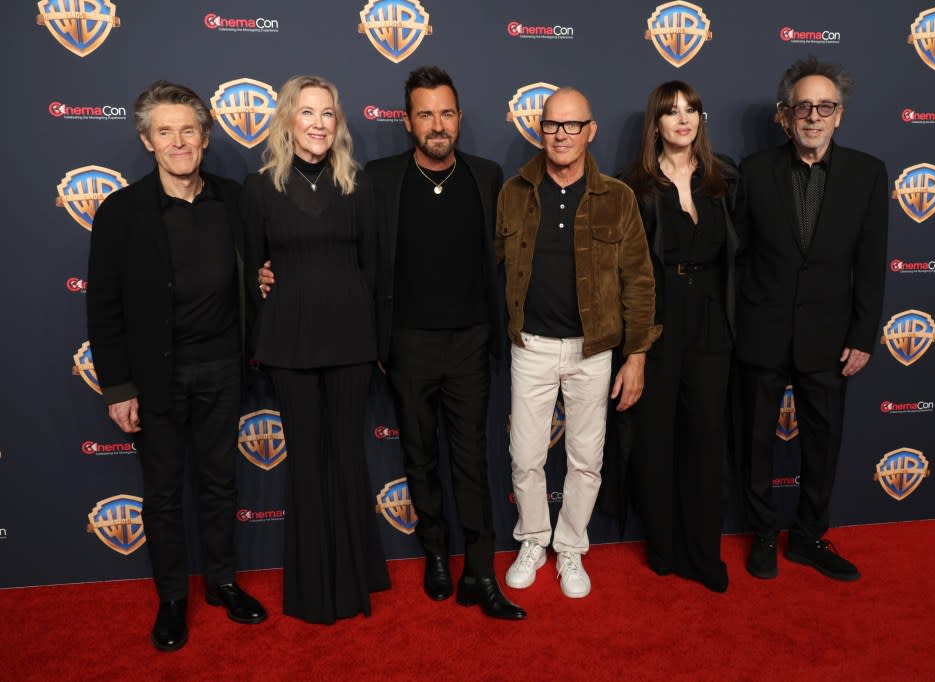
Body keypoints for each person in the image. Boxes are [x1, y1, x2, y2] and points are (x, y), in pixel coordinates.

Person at [260, 66, 524, 620]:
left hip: (471, 341)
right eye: (425, 114)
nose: (437, 124)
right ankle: (433, 556)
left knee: (473, 460)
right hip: (404, 344)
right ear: (407, 122)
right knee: (419, 457)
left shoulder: (488, 175)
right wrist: (274, 269)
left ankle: (480, 571)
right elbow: (337, 246)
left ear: (458, 118)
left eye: (446, 113)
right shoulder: (377, 180)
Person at [87, 81, 266, 652]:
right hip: (156, 377)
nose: (179, 141)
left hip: (223, 369)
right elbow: (104, 305)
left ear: (206, 136)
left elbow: (258, 274)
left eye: (189, 129)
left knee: (219, 484)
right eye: (166, 131)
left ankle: (222, 582)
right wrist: (118, 386)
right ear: (148, 141)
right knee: (162, 494)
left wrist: (263, 283)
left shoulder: (235, 201)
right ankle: (170, 599)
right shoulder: (121, 212)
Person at [497, 87, 660, 599]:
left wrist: (636, 355)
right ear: (539, 130)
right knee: (525, 456)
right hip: (531, 346)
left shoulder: (618, 197)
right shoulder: (514, 191)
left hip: (595, 348)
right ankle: (532, 539)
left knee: (586, 459)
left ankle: (571, 547)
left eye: (572, 125)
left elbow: (639, 279)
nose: (561, 135)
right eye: (552, 125)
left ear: (591, 131)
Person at [242, 75, 390, 623]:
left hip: (352, 342)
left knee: (348, 459)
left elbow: (374, 268)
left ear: (338, 122)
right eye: (307, 113)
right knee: (305, 463)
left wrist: (378, 343)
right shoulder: (258, 189)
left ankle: (358, 578)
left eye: (328, 113)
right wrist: (259, 289)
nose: (319, 123)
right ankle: (310, 589)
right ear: (287, 120)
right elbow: (248, 272)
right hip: (288, 344)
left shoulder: (359, 184)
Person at [737, 57, 888, 581]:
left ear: (839, 116)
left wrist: (863, 335)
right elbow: (739, 258)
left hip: (830, 339)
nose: (814, 116)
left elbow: (870, 263)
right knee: (754, 442)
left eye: (825, 107)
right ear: (785, 115)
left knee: (823, 446)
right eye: (804, 106)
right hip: (762, 334)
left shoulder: (868, 174)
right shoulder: (753, 171)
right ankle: (761, 534)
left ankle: (806, 537)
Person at [622, 80, 739, 593]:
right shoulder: (637, 188)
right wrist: (638, 344)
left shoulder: (724, 179)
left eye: (691, 109)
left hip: (713, 321)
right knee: (657, 441)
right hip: (660, 321)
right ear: (656, 124)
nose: (683, 119)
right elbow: (628, 270)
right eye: (671, 112)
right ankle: (664, 548)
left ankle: (703, 552)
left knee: (706, 440)